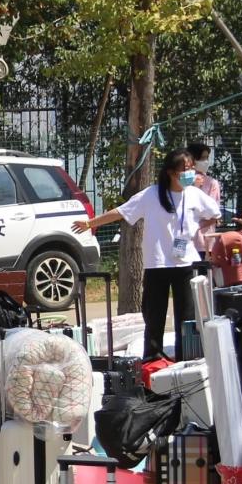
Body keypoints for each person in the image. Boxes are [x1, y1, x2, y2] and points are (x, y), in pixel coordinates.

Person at [74, 150, 221, 362]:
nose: (190, 173)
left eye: (191, 168)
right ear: (171, 172)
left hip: (186, 264)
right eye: (185, 169)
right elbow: (121, 212)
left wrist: (196, 226)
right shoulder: (151, 195)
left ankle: (185, 359)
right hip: (157, 263)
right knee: (154, 316)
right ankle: (153, 360)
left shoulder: (194, 194)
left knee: (186, 316)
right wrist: (90, 223)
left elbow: (214, 214)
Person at [186, 140, 222, 205]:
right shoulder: (182, 179)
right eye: (202, 158)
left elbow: (213, 207)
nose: (206, 161)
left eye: (207, 158)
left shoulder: (212, 183)